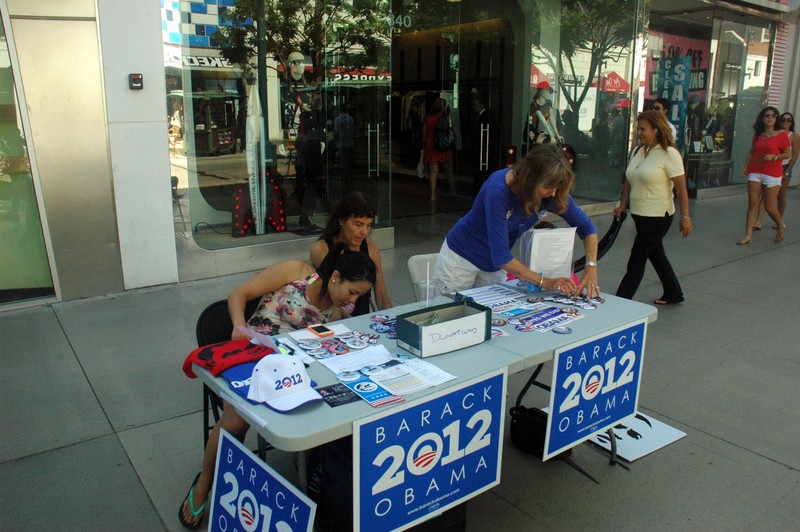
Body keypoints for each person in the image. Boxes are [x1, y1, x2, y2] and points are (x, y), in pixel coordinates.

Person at [179, 245, 376, 529]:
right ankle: (205, 482)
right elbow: (238, 294)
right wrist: (237, 326)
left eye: (359, 295)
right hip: (251, 352)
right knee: (237, 420)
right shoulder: (295, 272)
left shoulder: (339, 307)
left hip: (291, 368)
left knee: (336, 403)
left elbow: (329, 342)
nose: (353, 299)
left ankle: (318, 476)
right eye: (352, 291)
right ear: (335, 277)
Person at [433, 143, 600, 296]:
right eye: (548, 187)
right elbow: (502, 256)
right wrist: (545, 282)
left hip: (493, 266)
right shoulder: (498, 191)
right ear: (531, 179)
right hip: (461, 259)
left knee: (493, 320)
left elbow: (587, 228)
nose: (553, 193)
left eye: (557, 188)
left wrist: (590, 267)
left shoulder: (552, 194)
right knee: (451, 318)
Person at [614, 110, 692, 305]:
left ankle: (620, 302)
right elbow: (629, 180)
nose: (639, 132)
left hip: (658, 216)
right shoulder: (639, 151)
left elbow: (682, 189)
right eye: (637, 129)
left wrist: (686, 217)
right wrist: (623, 204)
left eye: (643, 129)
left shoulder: (669, 153)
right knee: (656, 254)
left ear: (656, 130)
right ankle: (674, 293)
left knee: (637, 260)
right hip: (640, 215)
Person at [309, 192, 392, 314]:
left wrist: (394, 323)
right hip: (331, 319)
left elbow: (381, 293)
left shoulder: (371, 247)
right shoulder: (322, 249)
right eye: (358, 225)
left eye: (369, 226)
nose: (364, 232)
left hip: (361, 318)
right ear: (342, 220)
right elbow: (330, 297)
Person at [737, 106, 789, 245]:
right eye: (767, 115)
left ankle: (780, 226)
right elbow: (752, 152)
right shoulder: (758, 135)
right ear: (763, 118)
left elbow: (787, 154)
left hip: (773, 173)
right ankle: (748, 236)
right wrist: (746, 167)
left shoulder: (781, 134)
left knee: (770, 206)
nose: (770, 118)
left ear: (776, 118)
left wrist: (774, 156)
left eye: (773, 115)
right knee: (752, 204)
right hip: (756, 170)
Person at [754, 111, 798, 231]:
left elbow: (793, 155)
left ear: (791, 122)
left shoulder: (793, 136)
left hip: (784, 166)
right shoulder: (772, 133)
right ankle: (758, 221)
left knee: (781, 195)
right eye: (783, 119)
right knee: (764, 195)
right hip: (769, 165)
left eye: (788, 120)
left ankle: (779, 220)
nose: (785, 122)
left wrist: (787, 171)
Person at [423, 98, 455, 202]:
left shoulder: (428, 118)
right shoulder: (444, 117)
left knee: (433, 170)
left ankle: (433, 194)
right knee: (448, 169)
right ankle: (453, 190)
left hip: (431, 144)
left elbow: (424, 133)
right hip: (443, 144)